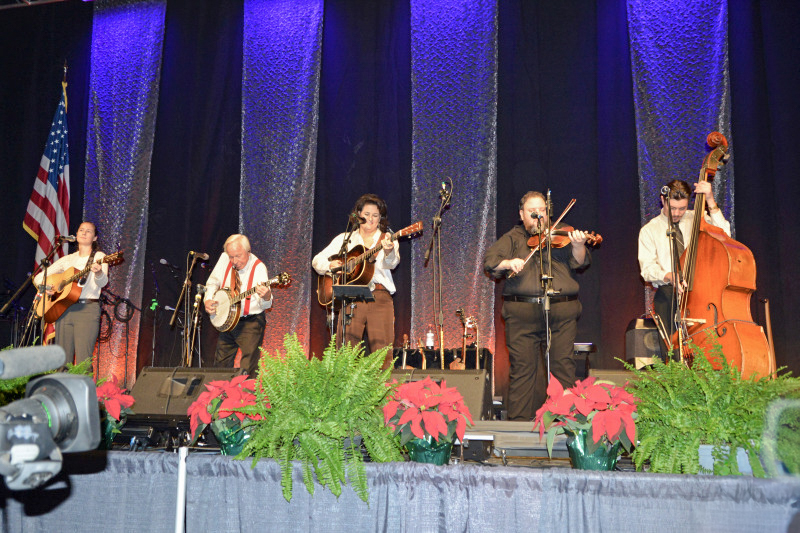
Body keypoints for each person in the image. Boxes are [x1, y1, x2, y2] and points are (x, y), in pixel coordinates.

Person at [484, 191, 590, 421]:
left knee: (563, 368)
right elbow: (491, 261)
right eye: (532, 212)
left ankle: (565, 426)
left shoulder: (563, 232)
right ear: (522, 214)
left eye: (542, 211)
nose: (537, 216)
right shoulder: (513, 237)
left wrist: (579, 245)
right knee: (523, 371)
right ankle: (519, 430)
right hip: (522, 314)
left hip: (561, 312)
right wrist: (508, 262)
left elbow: (580, 262)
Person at [312, 193, 399, 368]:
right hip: (351, 297)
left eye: (375, 215)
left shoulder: (387, 239)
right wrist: (332, 265)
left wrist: (389, 251)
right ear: (358, 214)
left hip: (379, 296)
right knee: (346, 350)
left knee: (382, 350)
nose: (371, 219)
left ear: (380, 218)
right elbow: (317, 261)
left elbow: (391, 263)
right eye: (366, 214)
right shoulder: (345, 239)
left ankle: (382, 391)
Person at [638, 179, 730, 340]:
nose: (676, 213)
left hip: (702, 292)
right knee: (672, 349)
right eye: (672, 208)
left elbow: (725, 236)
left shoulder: (697, 219)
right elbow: (647, 270)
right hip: (669, 294)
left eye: (682, 208)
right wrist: (668, 276)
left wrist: (710, 199)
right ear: (662, 200)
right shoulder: (649, 230)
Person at [34, 221, 108, 365]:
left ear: (94, 238)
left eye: (89, 231)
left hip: (87, 309)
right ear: (77, 234)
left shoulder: (99, 256)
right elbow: (38, 278)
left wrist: (98, 272)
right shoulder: (68, 259)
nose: (84, 233)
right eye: (81, 230)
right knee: (63, 361)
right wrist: (45, 286)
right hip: (64, 309)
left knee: (83, 361)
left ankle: (83, 387)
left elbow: (103, 283)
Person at [204, 234, 272, 376]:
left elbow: (265, 305)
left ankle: (246, 397)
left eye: (238, 256)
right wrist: (208, 299)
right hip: (228, 321)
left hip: (250, 322)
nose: (234, 261)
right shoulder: (224, 258)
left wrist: (266, 296)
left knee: (248, 369)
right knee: (220, 366)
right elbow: (212, 282)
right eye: (231, 256)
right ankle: (220, 396)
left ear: (248, 251)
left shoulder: (259, 268)